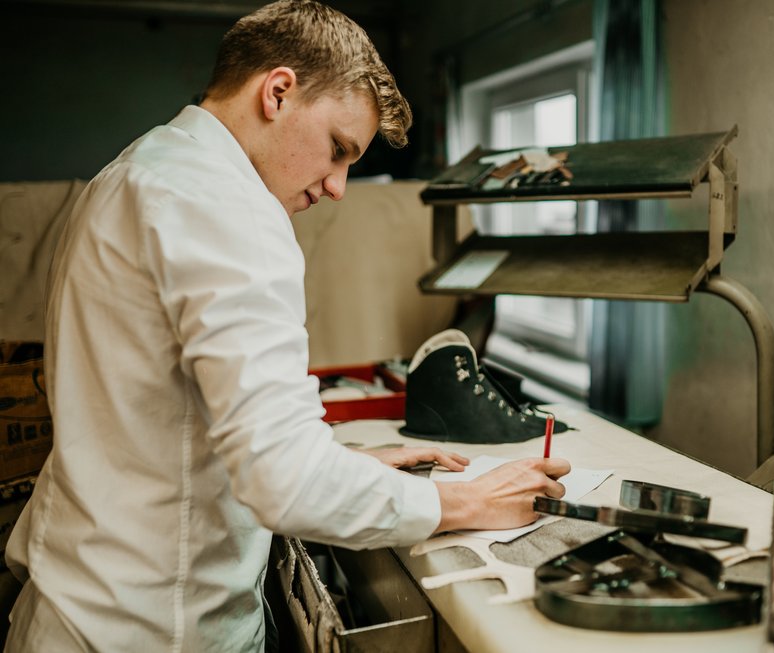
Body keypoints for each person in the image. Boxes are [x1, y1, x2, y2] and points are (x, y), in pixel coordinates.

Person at [3, 2, 571, 650]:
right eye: (337, 149)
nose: (336, 187)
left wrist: (344, 462)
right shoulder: (228, 206)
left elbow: (162, 417)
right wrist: (469, 502)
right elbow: (284, 480)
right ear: (277, 92)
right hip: (153, 629)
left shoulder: (132, 171)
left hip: (73, 608)